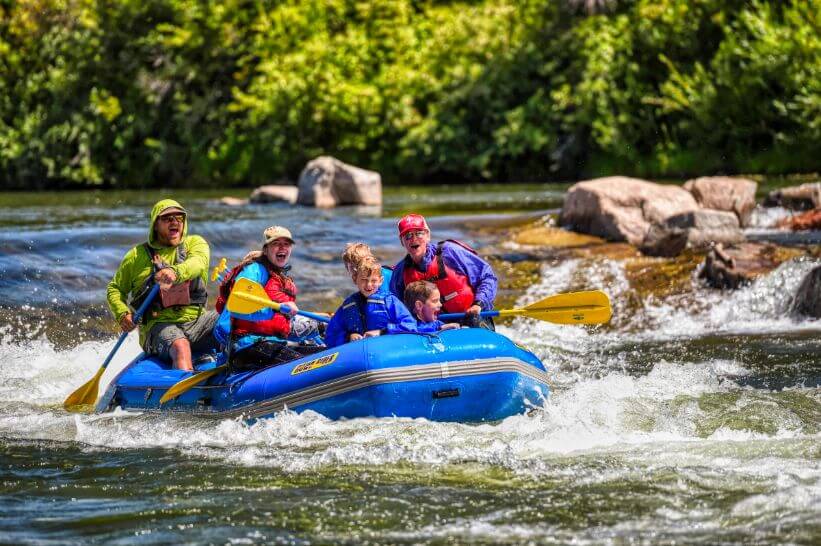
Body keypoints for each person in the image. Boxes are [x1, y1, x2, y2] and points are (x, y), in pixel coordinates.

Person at [107, 199, 219, 371]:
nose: (175, 222)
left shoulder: (195, 244)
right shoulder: (136, 256)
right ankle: (183, 392)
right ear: (155, 225)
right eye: (167, 218)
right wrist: (122, 314)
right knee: (180, 346)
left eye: (179, 218)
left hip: (197, 321)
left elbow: (198, 263)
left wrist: (176, 272)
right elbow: (115, 289)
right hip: (158, 326)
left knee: (233, 319)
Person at [213, 226, 323, 369]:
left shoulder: (279, 276)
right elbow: (238, 304)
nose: (282, 247)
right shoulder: (254, 270)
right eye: (276, 243)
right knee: (307, 367)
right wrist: (276, 309)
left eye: (286, 244)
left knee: (323, 355)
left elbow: (279, 325)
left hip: (272, 344)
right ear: (265, 250)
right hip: (248, 346)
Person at [389, 213, 498, 330]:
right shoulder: (401, 272)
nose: (414, 239)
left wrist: (479, 304)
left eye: (419, 233)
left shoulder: (450, 252)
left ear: (427, 235)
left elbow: (487, 277)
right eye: (408, 235)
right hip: (435, 328)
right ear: (402, 241)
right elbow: (396, 308)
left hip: (472, 317)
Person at [325, 256, 418, 348]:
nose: (369, 285)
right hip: (357, 353)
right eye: (364, 280)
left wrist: (382, 332)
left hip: (386, 349)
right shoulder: (347, 306)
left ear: (381, 281)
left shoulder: (390, 301)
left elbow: (410, 325)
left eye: (373, 280)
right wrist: (348, 337)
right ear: (355, 279)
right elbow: (330, 335)